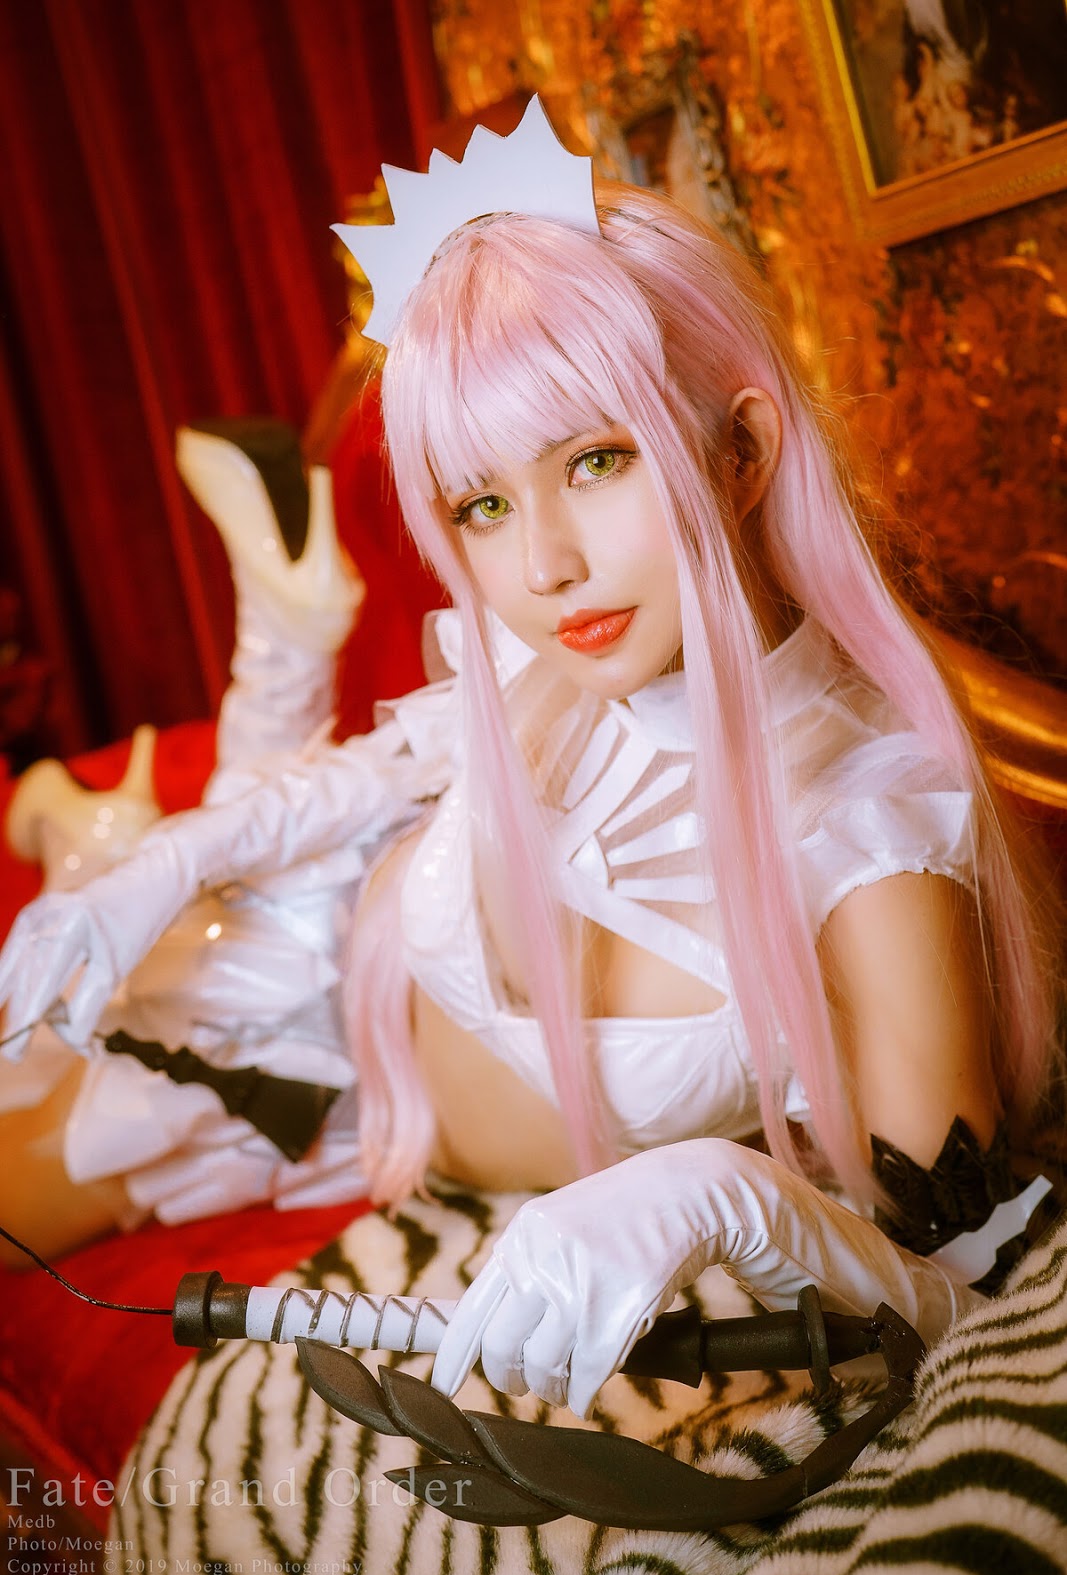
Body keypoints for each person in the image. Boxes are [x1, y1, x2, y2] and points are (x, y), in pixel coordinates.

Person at [0, 101, 1058, 1422]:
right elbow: (376, 779)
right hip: (293, 951)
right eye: (485, 504)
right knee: (113, 902)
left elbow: (957, 1287)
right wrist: (164, 869)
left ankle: (135, 755)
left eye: (597, 461)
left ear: (741, 449)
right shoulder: (560, 653)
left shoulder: (870, 835)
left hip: (321, 1106)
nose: (543, 565)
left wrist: (722, 1191)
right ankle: (97, 803)